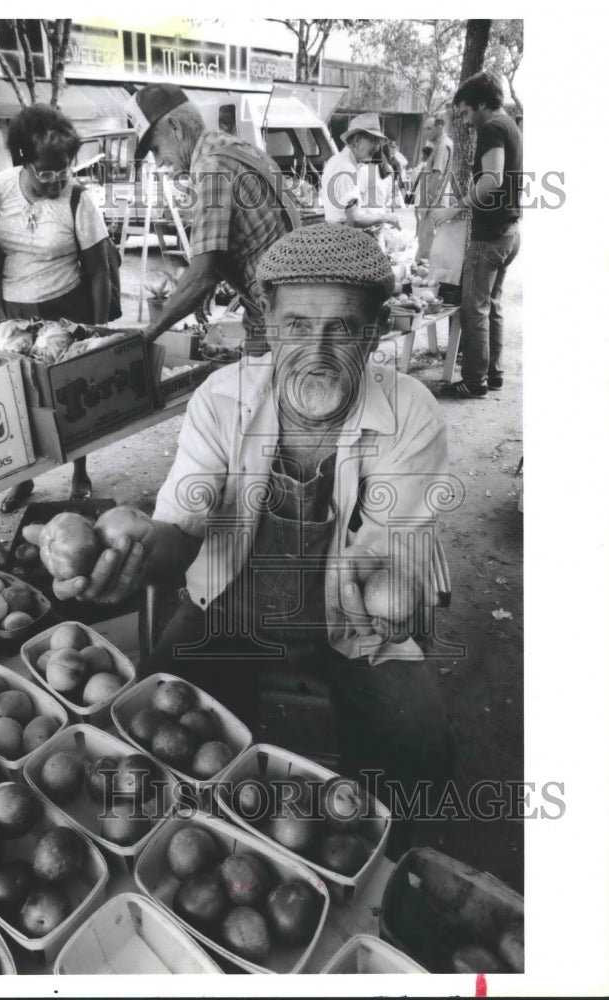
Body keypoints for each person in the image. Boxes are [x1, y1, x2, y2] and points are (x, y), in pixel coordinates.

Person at [37, 224, 455, 850]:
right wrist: (138, 556)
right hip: (226, 611)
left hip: (351, 624)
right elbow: (182, 529)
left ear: (372, 332)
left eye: (341, 327)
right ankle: (182, 855)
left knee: (422, 745)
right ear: (267, 323)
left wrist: (408, 600)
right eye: (296, 326)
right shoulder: (222, 399)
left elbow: (386, 565)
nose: (316, 350)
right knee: (145, 738)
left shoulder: (409, 412)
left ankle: (383, 865)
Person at [0, 104, 113, 512]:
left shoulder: (78, 200)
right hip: (14, 312)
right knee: (18, 401)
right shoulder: (1, 188)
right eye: (46, 172)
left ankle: (80, 470)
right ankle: (23, 478)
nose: (56, 180)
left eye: (64, 169)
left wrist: (94, 334)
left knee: (72, 399)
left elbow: (99, 270)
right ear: (24, 159)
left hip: (67, 308)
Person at [125, 83, 298, 348]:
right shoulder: (233, 146)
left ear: (176, 128)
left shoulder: (210, 168)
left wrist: (147, 334)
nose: (158, 163)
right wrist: (211, 276)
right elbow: (242, 235)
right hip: (292, 304)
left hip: (279, 317)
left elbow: (200, 276)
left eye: (156, 149)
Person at [431, 71, 522, 399]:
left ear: (483, 104)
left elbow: (492, 179)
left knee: (474, 308)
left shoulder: (492, 128)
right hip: (509, 231)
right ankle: (493, 374)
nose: (467, 120)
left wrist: (457, 208)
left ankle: (474, 381)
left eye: (468, 111)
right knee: (492, 304)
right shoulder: (510, 125)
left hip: (491, 235)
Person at [322, 113, 402, 234]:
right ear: (357, 140)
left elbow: (346, 210)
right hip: (342, 238)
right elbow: (354, 220)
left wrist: (372, 220)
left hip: (334, 232)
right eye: (374, 141)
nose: (377, 148)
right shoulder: (347, 168)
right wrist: (385, 217)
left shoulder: (336, 160)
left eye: (379, 143)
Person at [415, 114, 454, 261]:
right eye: (424, 129)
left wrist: (427, 203)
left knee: (426, 247)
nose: (426, 132)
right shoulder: (442, 145)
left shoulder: (443, 146)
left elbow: (437, 175)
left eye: (429, 129)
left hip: (433, 204)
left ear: (440, 126)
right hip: (437, 203)